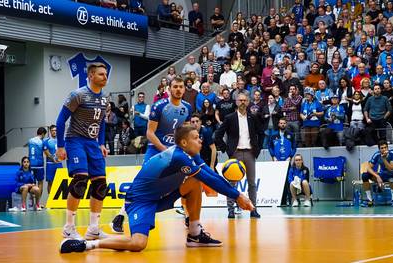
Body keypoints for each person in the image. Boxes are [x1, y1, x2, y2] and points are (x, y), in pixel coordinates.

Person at [60, 125, 254, 253]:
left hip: (161, 195)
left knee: (195, 182)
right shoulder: (178, 157)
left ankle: (195, 234)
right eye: (196, 138)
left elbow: (210, 176)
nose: (200, 140)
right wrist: (237, 196)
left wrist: (236, 195)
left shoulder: (191, 155)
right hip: (139, 202)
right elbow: (207, 178)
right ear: (184, 142)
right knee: (138, 244)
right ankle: (87, 244)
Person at [111, 77, 192, 233]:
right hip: (156, 150)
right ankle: (120, 216)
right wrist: (164, 150)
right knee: (141, 184)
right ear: (169, 88)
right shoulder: (159, 106)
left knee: (185, 180)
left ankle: (189, 217)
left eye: (181, 87)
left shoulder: (187, 107)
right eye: (175, 86)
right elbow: (149, 133)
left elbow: (185, 132)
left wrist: (186, 148)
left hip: (175, 152)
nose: (178, 89)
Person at [55, 63, 110, 240]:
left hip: (92, 143)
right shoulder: (77, 95)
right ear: (91, 76)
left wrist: (101, 144)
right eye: (101, 74)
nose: (105, 77)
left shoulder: (104, 99)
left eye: (106, 74)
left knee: (100, 184)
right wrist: (60, 146)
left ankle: (93, 228)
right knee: (80, 180)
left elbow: (102, 123)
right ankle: (69, 227)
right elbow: (60, 121)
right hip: (75, 141)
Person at [215, 93, 264, 219]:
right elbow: (218, 135)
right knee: (232, 183)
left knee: (252, 183)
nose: (242, 102)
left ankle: (253, 209)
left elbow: (261, 133)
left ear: (248, 102)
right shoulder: (230, 117)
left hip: (249, 153)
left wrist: (257, 149)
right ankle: (230, 210)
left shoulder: (253, 117)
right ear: (236, 102)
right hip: (235, 153)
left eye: (245, 100)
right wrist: (226, 149)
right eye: (240, 100)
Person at [361, 140, 393, 207]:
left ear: (388, 148)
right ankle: (370, 200)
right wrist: (377, 176)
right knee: (365, 175)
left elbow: (391, 168)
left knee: (392, 178)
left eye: (385, 147)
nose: (384, 149)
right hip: (382, 175)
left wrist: (384, 159)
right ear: (379, 149)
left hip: (392, 174)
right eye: (382, 148)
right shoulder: (377, 154)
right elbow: (368, 168)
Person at [43, 125, 63, 194]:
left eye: (56, 130)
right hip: (50, 164)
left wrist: (61, 158)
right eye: (53, 130)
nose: (55, 132)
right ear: (50, 131)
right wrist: (53, 158)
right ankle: (50, 200)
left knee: (60, 182)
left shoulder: (60, 140)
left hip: (59, 164)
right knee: (50, 182)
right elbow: (46, 152)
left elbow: (63, 151)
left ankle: (58, 201)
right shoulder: (46, 141)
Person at [28, 127, 46, 196]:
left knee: (32, 183)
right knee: (40, 183)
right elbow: (46, 152)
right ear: (43, 134)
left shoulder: (30, 140)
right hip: (39, 165)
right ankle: (38, 202)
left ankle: (32, 203)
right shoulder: (42, 142)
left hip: (31, 165)